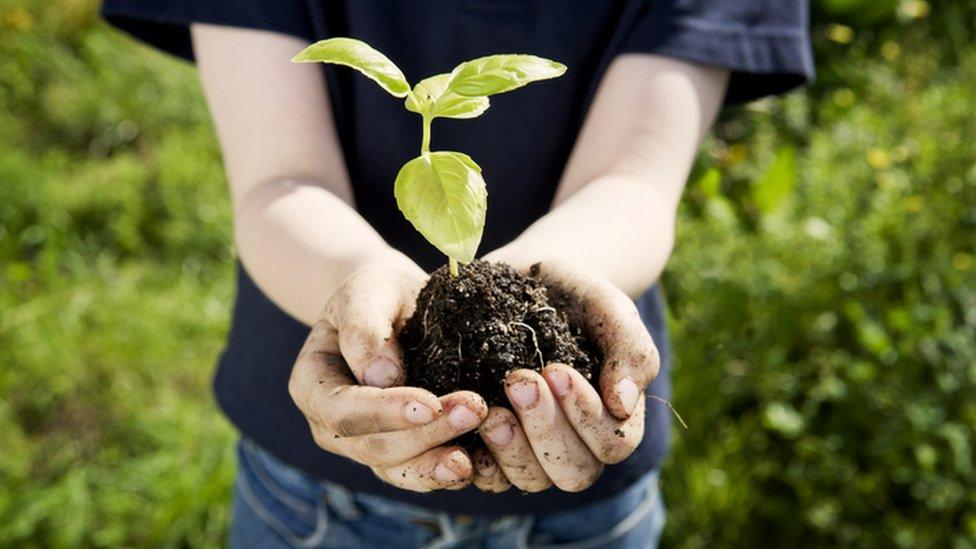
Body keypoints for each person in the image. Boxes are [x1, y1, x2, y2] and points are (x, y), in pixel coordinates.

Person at [101, 1, 812, 547]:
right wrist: (359, 278)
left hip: (586, 500)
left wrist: (537, 283)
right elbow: (278, 182)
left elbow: (634, 181)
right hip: (313, 498)